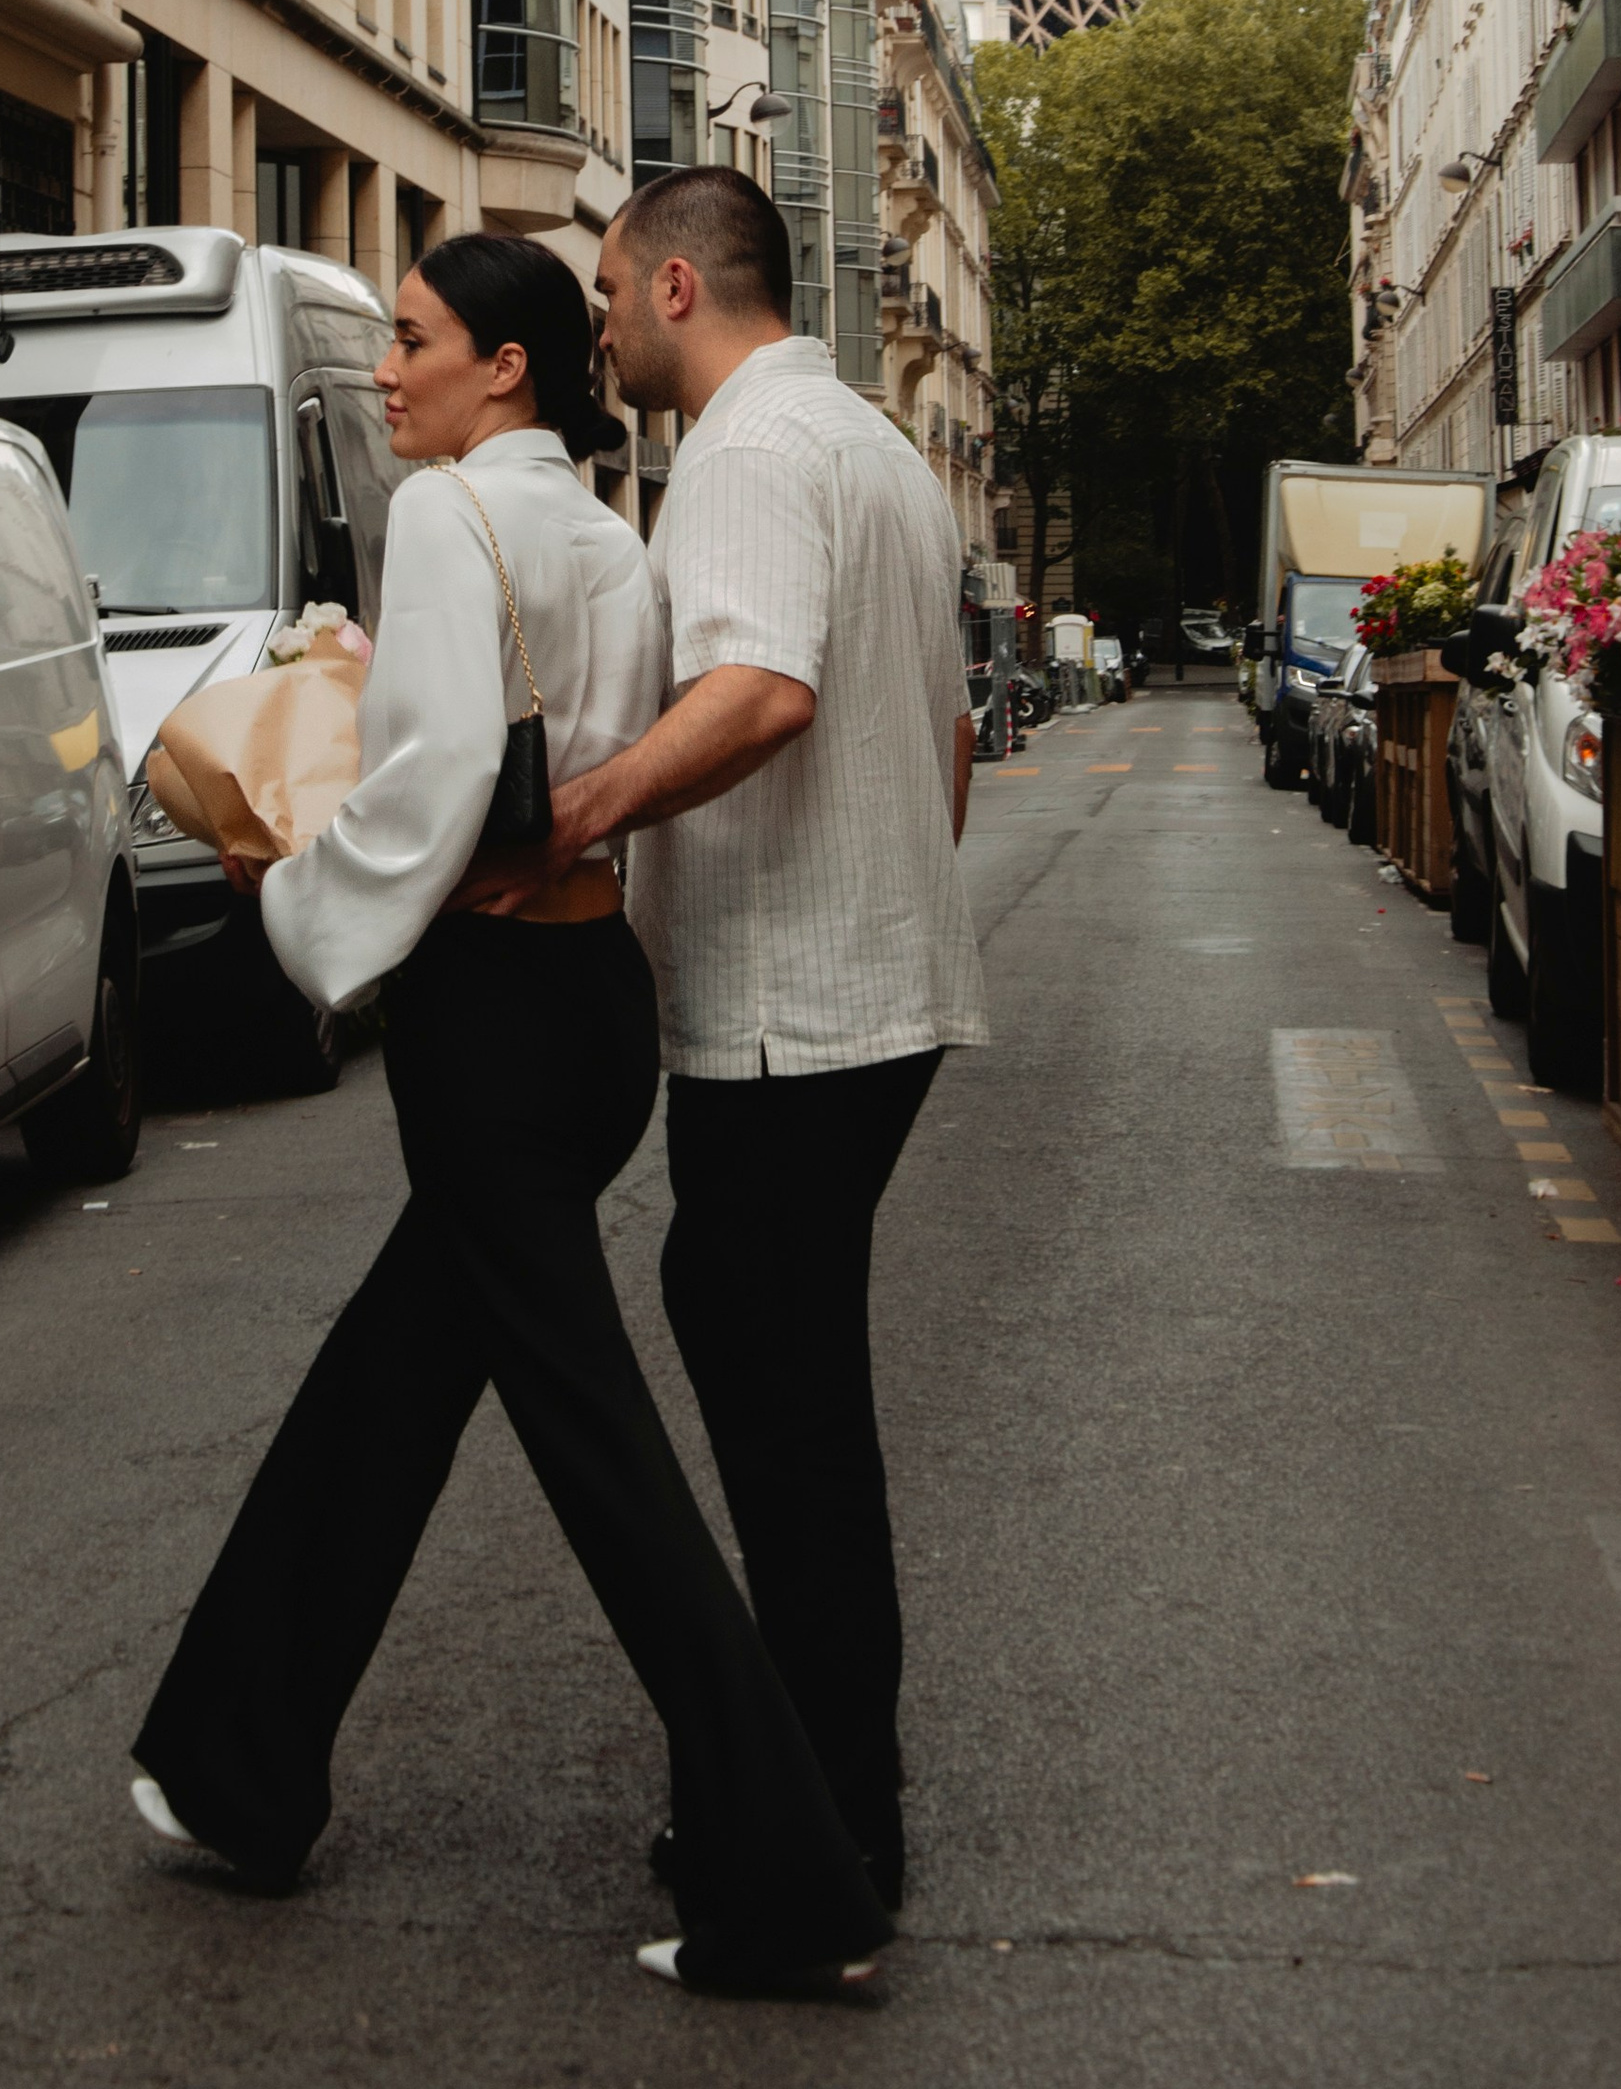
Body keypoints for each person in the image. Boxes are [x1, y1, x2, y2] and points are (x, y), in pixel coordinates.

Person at [127, 229, 888, 2000]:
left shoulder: (450, 519)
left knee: (594, 1449)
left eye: (412, 341)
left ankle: (787, 1878)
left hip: (486, 1026)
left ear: (506, 370)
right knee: (390, 1386)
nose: (387, 372)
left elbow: (444, 783)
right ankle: (239, 1760)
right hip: (595, 1006)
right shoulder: (611, 538)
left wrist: (295, 906)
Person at [478, 167, 985, 1914]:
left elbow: (764, 692)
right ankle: (822, 1788)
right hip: (869, 989)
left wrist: (581, 815)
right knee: (790, 1390)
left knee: (786, 1422)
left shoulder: (753, 461)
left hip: (790, 1013)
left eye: (613, 290)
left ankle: (825, 1825)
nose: (599, 323)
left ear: (681, 284)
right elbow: (951, 740)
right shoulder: (873, 451)